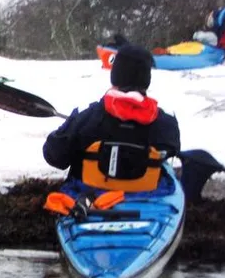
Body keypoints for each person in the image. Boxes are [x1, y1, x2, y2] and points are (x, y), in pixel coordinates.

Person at [43, 44, 180, 189]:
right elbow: (172, 150)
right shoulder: (166, 123)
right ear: (147, 79)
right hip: (149, 203)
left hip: (89, 201)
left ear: (115, 76)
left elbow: (55, 157)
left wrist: (69, 128)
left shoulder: (87, 117)